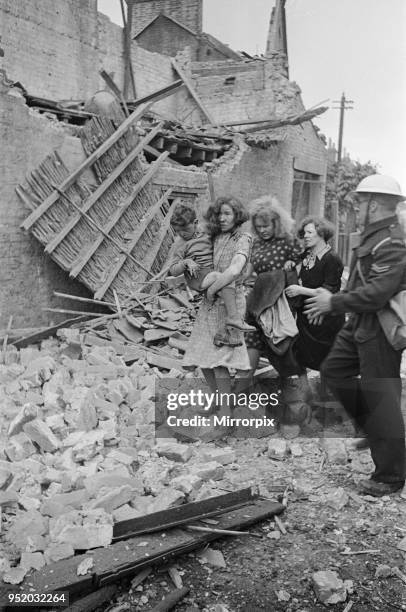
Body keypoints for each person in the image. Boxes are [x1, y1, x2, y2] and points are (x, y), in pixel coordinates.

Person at [305, 174, 406, 497]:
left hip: (380, 328)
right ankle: (376, 428)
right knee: (334, 372)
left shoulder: (392, 241)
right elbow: (359, 283)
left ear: (374, 204)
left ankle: (389, 476)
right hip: (359, 323)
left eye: (361, 202)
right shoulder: (370, 235)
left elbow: (377, 293)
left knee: (383, 398)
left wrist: (332, 302)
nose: (357, 207)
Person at [183, 196, 253, 414]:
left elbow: (233, 270)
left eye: (228, 214)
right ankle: (216, 400)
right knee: (204, 356)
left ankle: (225, 412)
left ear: (237, 216)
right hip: (210, 302)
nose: (222, 218)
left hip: (229, 303)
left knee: (219, 359)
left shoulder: (243, 238)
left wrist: (212, 289)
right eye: (219, 214)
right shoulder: (215, 237)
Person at [169, 203, 254, 347]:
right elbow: (173, 270)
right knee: (220, 278)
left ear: (195, 223)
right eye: (178, 231)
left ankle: (224, 334)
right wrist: (186, 262)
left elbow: (223, 233)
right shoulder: (181, 244)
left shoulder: (207, 234)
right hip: (198, 277)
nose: (182, 234)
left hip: (209, 274)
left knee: (226, 302)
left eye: (185, 229)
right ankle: (233, 318)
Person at [244, 196, 302, 374]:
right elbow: (248, 271)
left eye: (266, 226)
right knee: (251, 339)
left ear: (276, 223)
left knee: (280, 342)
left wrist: (292, 267)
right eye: (259, 227)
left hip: (280, 300)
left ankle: (295, 383)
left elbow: (301, 263)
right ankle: (242, 389)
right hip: (259, 298)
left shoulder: (287, 241)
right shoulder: (257, 243)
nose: (262, 230)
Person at [285, 217, 345, 371]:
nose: (305, 236)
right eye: (304, 232)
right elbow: (295, 261)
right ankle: (307, 392)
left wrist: (300, 290)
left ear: (322, 234)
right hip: (307, 315)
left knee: (327, 361)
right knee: (303, 357)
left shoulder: (332, 258)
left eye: (310, 232)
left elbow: (329, 290)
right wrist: (292, 263)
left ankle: (329, 393)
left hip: (325, 317)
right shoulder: (307, 254)